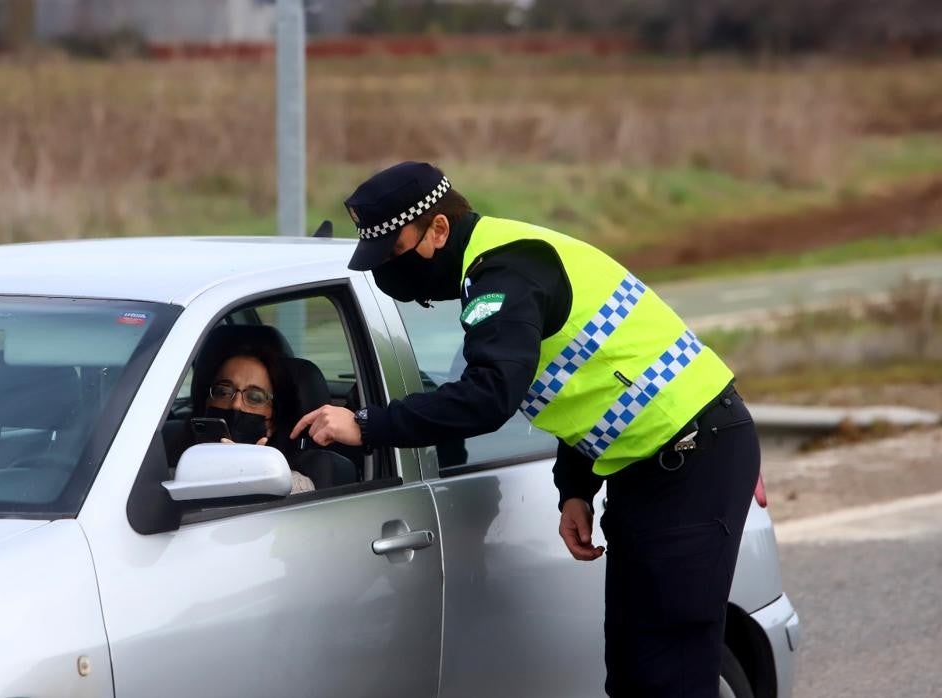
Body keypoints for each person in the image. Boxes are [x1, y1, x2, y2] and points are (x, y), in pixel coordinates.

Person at [292, 161, 761, 697]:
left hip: (694, 456)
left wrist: (368, 425)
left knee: (669, 671)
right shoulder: (498, 262)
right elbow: (589, 380)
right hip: (650, 463)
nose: (391, 272)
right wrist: (576, 489)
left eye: (396, 253)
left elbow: (489, 396)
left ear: (439, 228)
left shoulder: (506, 271)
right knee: (634, 672)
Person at [189, 335, 315, 495]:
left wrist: (249, 478)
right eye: (224, 391)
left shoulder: (293, 485)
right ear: (206, 402)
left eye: (255, 397)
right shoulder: (164, 473)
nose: (236, 404)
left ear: (272, 423)